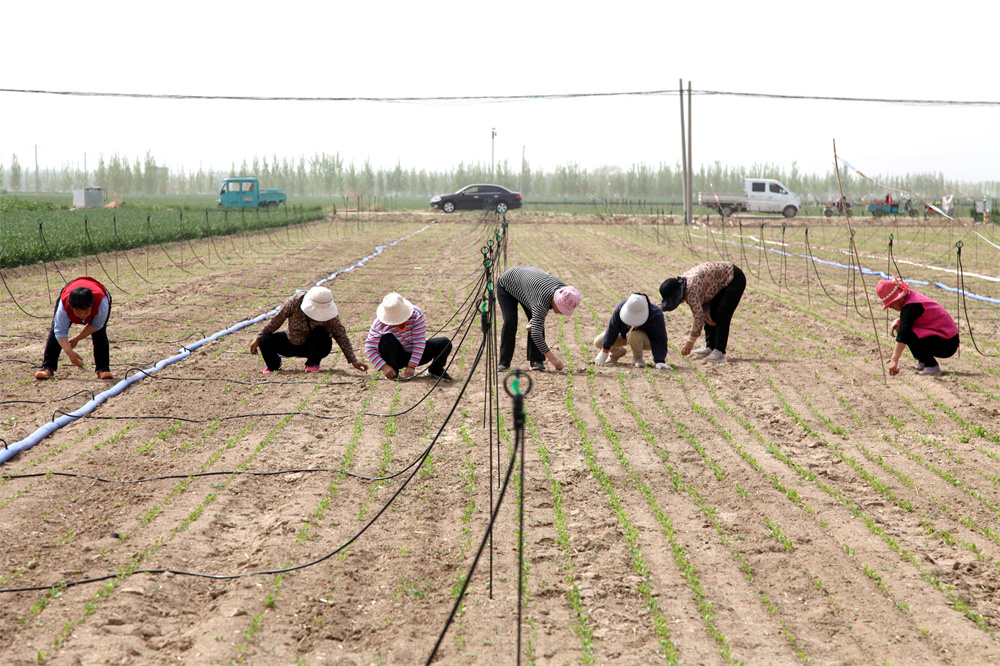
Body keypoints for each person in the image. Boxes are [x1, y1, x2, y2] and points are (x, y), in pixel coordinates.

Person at [249, 286, 368, 374]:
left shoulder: (331, 316)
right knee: (265, 340)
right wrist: (258, 338)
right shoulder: (295, 301)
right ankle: (273, 364)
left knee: (322, 333)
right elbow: (276, 320)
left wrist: (353, 360)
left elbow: (341, 335)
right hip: (291, 341)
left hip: (314, 347)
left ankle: (313, 363)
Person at [496, 265, 581, 372]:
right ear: (555, 301)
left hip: (529, 287)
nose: (561, 313)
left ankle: (536, 360)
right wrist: (554, 360)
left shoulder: (565, 291)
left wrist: (534, 321)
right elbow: (535, 333)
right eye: (561, 309)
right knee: (510, 322)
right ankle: (504, 362)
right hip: (508, 283)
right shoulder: (541, 302)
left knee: (537, 321)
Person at [659, 261, 746, 363]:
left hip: (733, 278)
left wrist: (690, 342)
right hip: (719, 280)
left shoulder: (691, 291)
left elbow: (698, 317)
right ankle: (710, 347)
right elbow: (704, 297)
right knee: (710, 314)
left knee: (722, 314)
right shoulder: (682, 283)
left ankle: (719, 351)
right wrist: (706, 312)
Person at [877, 277, 959, 376]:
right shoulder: (911, 298)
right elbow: (916, 317)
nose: (890, 307)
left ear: (898, 298)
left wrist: (894, 360)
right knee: (903, 328)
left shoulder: (911, 306)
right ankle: (923, 361)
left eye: (890, 303)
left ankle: (931, 365)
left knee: (907, 332)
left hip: (947, 343)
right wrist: (899, 320)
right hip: (945, 338)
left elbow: (904, 332)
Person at [36, 276, 113, 380]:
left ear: (92, 305)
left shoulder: (101, 302)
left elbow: (96, 325)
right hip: (69, 289)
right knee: (53, 333)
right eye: (78, 311)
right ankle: (47, 367)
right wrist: (70, 353)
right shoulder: (64, 306)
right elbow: (59, 330)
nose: (83, 315)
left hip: (98, 292)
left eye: (86, 311)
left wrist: (77, 338)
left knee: (99, 333)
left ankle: (103, 369)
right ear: (71, 307)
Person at [365, 292, 453, 381]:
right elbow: (369, 347)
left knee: (444, 343)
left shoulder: (416, 314)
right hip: (395, 356)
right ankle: (392, 372)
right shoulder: (379, 323)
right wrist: (384, 367)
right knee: (386, 339)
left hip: (415, 353)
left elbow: (419, 342)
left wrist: (412, 365)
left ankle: (435, 369)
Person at [593, 293, 671, 369]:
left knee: (635, 335)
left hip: (645, 340)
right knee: (599, 342)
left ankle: (638, 358)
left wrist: (660, 360)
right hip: (626, 335)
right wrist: (604, 350)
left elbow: (660, 338)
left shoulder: (656, 314)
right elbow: (612, 329)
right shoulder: (621, 308)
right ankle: (617, 352)